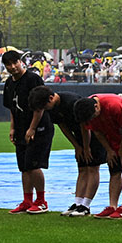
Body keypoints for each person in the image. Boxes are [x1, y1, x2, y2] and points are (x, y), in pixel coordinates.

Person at [29, 86, 104, 216]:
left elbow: (85, 126)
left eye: (44, 107)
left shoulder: (71, 102)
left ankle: (85, 206)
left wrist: (86, 148)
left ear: (51, 98)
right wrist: (77, 146)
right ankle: (78, 203)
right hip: (79, 137)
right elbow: (63, 126)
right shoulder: (52, 108)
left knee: (92, 168)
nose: (44, 110)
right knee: (82, 169)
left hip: (93, 134)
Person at [2, 50, 53, 214]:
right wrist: (12, 127)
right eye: (8, 64)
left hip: (39, 128)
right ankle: (27, 200)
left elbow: (40, 105)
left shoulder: (33, 79)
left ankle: (41, 200)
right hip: (21, 128)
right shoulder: (9, 83)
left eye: (14, 62)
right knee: (24, 166)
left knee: (34, 164)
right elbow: (12, 108)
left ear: (20, 62)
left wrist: (32, 128)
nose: (12, 67)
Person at [74, 94, 122, 219]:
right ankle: (112, 206)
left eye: (93, 116)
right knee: (114, 171)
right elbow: (97, 132)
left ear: (96, 106)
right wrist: (109, 150)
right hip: (113, 140)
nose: (92, 119)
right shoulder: (87, 108)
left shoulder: (114, 105)